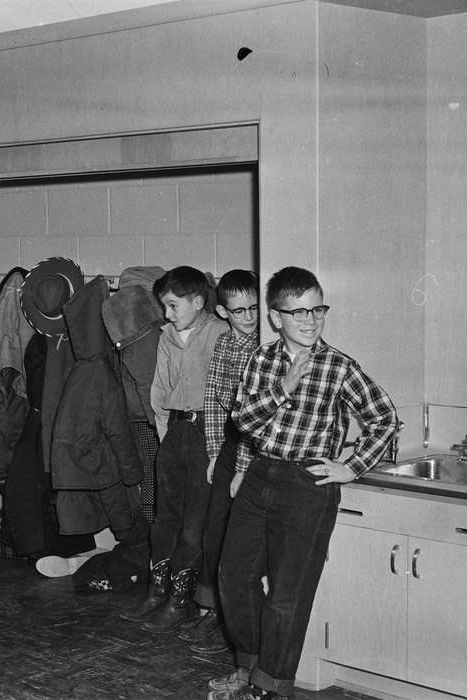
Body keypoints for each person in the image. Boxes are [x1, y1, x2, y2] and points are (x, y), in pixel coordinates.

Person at [210, 266, 399, 699]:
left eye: (317, 310)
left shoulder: (338, 366)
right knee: (233, 577)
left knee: (287, 594)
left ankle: (270, 687)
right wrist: (283, 387)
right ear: (275, 317)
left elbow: (385, 418)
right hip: (260, 474)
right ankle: (250, 668)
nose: (310, 320)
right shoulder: (262, 360)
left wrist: (351, 467)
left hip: (305, 484)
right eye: (298, 312)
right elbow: (243, 422)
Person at [120, 266, 227, 632]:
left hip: (207, 434)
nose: (167, 314)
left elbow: (224, 394)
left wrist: (216, 445)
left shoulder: (219, 333)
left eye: (173, 305)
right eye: (164, 306)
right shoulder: (167, 336)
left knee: (193, 524)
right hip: (176, 431)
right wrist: (166, 435)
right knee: (164, 518)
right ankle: (158, 592)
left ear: (198, 302)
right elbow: (160, 389)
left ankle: (182, 601)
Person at [179, 269, 260, 654]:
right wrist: (214, 453)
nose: (249, 317)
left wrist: (244, 467)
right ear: (224, 312)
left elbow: (256, 415)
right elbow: (213, 399)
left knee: (244, 538)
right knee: (214, 530)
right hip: (229, 443)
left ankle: (234, 619)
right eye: (239, 311)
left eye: (254, 308)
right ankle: (210, 609)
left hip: (258, 448)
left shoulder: (266, 346)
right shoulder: (225, 343)